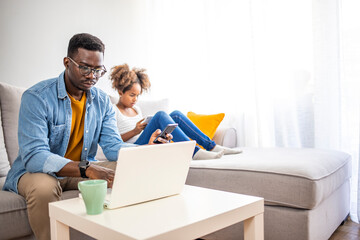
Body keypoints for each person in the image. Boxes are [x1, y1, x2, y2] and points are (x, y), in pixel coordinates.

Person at [2, 33, 170, 240]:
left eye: (97, 70)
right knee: (44, 188)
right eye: (85, 67)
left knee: (132, 168)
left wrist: (147, 151)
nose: (92, 75)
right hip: (34, 172)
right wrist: (87, 168)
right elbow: (35, 156)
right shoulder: (37, 97)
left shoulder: (102, 101)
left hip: (78, 170)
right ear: (67, 63)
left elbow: (111, 146)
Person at [109, 64, 242, 160]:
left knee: (176, 115)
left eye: (138, 95)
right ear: (121, 92)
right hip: (133, 149)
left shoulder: (136, 109)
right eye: (132, 95)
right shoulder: (114, 111)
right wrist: (135, 131)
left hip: (148, 141)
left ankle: (211, 146)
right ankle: (194, 152)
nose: (135, 99)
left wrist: (145, 128)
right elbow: (112, 144)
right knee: (160, 115)